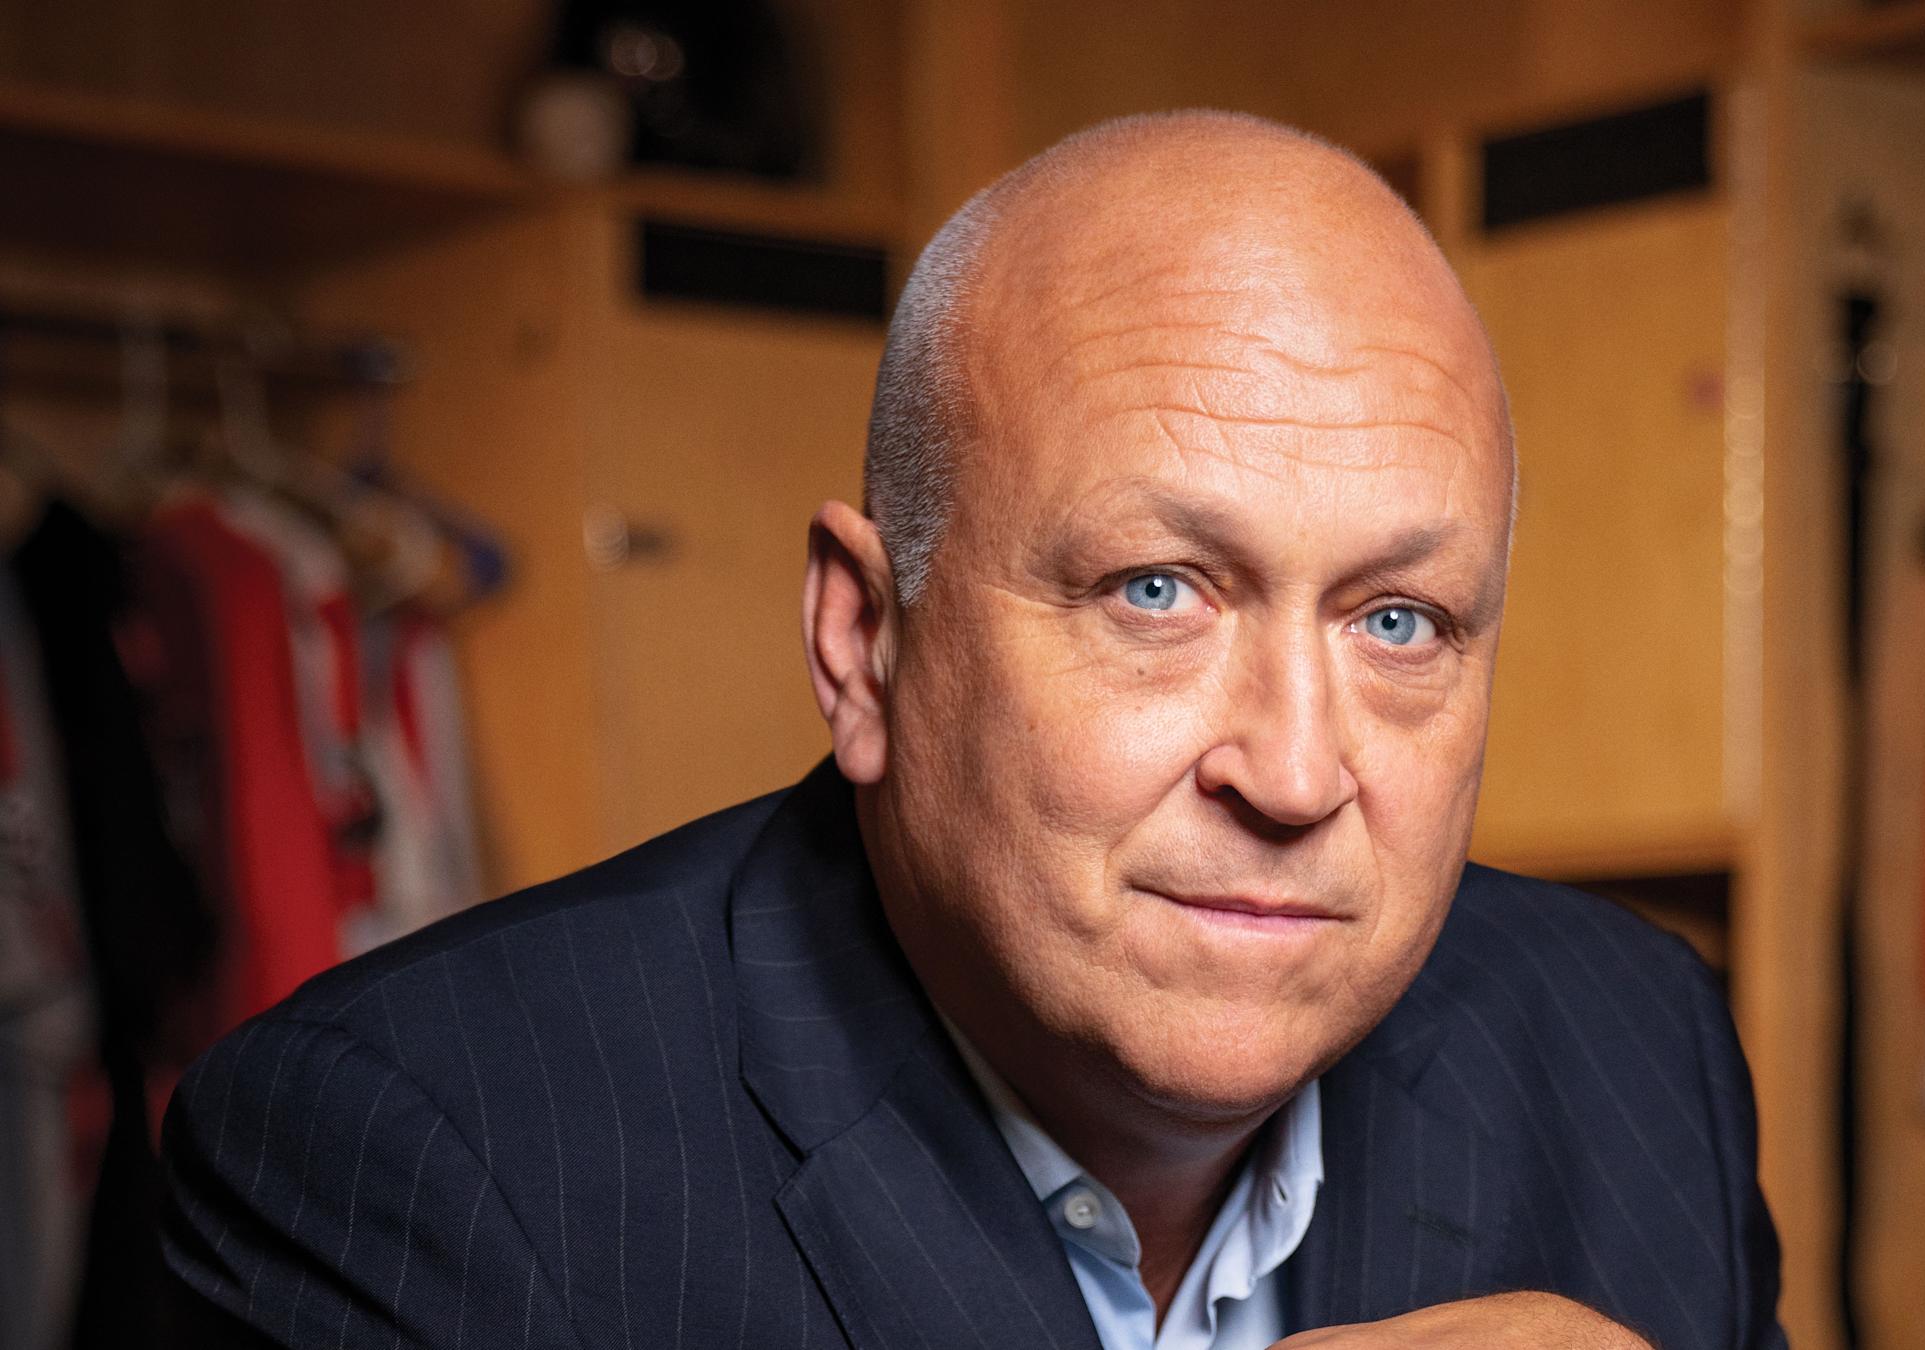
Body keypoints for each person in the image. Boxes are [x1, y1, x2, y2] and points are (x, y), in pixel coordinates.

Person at [159, 110, 1785, 1350]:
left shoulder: (1635, 1051)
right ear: (864, 642)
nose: (1294, 772)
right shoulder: (417, 1152)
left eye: (1400, 622)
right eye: (1158, 590)